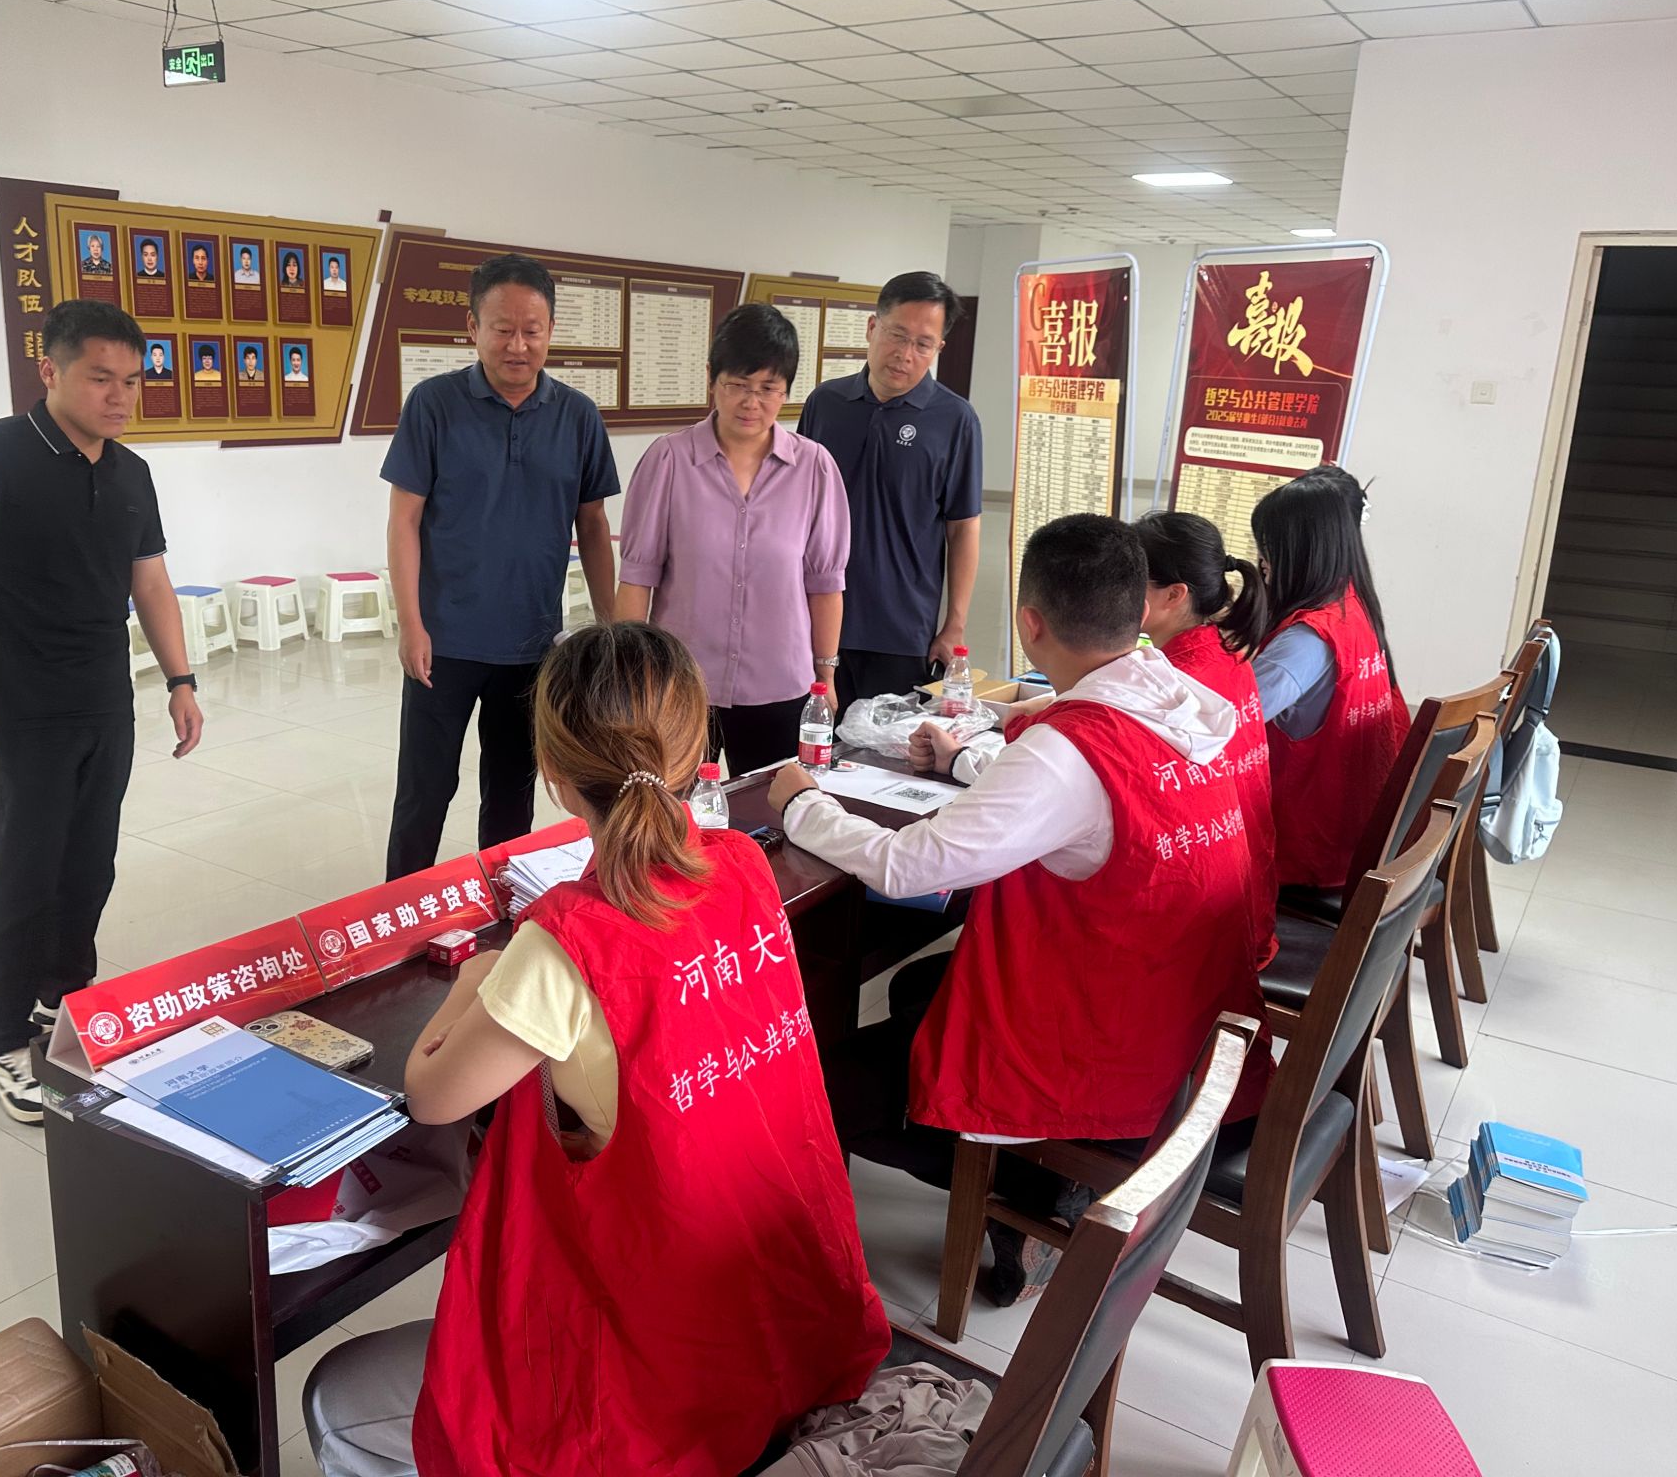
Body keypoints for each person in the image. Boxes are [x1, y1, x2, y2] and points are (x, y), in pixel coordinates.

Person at [303, 623, 888, 1477]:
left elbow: (432, 1094)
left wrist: (477, 979)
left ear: (552, 770)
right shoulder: (744, 867)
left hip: (660, 1380)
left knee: (337, 1393)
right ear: (697, 746)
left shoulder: (567, 942)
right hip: (785, 1320)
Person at [768, 514, 1271, 1296]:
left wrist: (803, 806)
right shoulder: (1182, 702)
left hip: (1114, 1059)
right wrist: (971, 760)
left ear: (1030, 624)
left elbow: (908, 865)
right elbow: (1069, 799)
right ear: (1139, 613)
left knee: (815, 1086)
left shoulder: (1070, 750)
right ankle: (1025, 1191)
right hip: (1187, 1030)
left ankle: (1027, 1195)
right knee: (919, 988)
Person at [0, 300, 205, 1124]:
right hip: (18, 707)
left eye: (133, 381)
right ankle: (4, 1038)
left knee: (89, 866)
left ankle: (63, 1001)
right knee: (27, 873)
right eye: (100, 378)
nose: (120, 397)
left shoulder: (130, 472)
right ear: (50, 371)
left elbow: (150, 580)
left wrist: (181, 679)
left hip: (102, 701)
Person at [381, 253, 619, 879]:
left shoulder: (578, 416)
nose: (518, 345)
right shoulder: (433, 404)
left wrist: (610, 627)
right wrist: (411, 624)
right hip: (443, 643)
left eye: (532, 330)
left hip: (532, 646)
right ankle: (401, 907)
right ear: (473, 327)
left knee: (512, 794)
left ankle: (502, 906)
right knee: (425, 790)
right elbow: (404, 520)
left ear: (550, 330)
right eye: (502, 329)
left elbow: (593, 525)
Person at [616, 304, 848, 772]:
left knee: (770, 809)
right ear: (711, 378)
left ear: (786, 390)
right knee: (671, 806)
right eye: (738, 385)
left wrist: (825, 673)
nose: (751, 402)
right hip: (681, 685)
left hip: (779, 685)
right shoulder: (669, 460)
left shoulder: (815, 468)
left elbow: (825, 583)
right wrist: (628, 676)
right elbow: (638, 578)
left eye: (768, 389)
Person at [796, 271, 982, 709]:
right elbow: (797, 508)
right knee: (810, 740)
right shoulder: (825, 403)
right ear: (872, 327)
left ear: (938, 348)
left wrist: (954, 624)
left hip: (901, 630)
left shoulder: (955, 420)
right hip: (814, 616)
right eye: (897, 335)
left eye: (923, 344)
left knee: (885, 748)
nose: (905, 354)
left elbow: (963, 528)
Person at [1239, 476, 1409, 890]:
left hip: (1307, 846)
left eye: (1269, 547)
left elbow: (1226, 722)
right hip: (1353, 831)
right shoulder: (1352, 607)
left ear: (1300, 552)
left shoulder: (1306, 641)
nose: (1262, 561)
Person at [1133, 510, 1276, 970]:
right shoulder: (1226, 652)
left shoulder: (1175, 684)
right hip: (1245, 894)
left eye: (1131, 579)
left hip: (1206, 927)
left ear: (1175, 595)